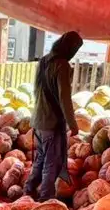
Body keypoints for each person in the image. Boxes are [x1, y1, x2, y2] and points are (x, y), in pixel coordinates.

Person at [25, 31, 83, 201]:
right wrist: (73, 124)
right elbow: (65, 98)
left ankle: (29, 189)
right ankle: (45, 197)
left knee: (40, 159)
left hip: (38, 120)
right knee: (51, 162)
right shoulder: (62, 65)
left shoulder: (43, 61)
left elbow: (36, 90)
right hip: (51, 123)